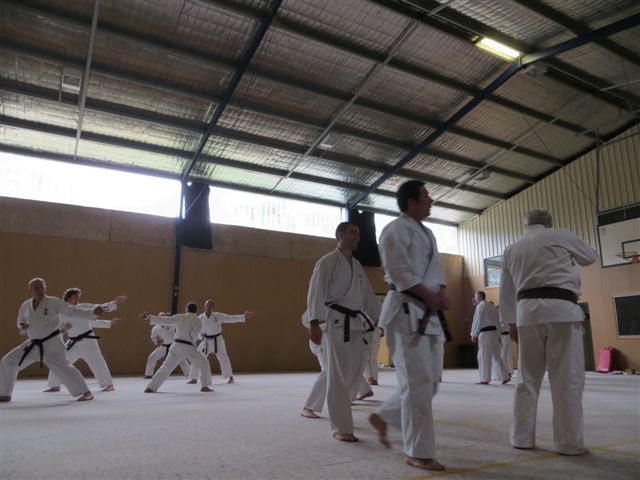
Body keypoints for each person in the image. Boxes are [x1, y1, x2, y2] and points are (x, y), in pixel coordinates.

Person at [500, 208, 597, 456]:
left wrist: (510, 323)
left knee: (527, 378)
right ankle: (569, 443)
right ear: (549, 223)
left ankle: (521, 438)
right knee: (566, 378)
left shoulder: (511, 249)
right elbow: (590, 257)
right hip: (561, 311)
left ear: (526, 225)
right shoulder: (561, 235)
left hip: (526, 314)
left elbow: (506, 292)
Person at [368, 180, 448, 471]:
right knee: (417, 384)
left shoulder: (428, 233)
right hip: (405, 311)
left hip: (428, 313)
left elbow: (437, 271)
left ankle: (386, 416)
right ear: (411, 202)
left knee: (432, 380)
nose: (430, 200)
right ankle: (418, 452)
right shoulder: (395, 230)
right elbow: (399, 272)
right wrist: (430, 295)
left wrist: (440, 292)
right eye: (426, 196)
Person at [305, 222, 380, 441]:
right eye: (352, 233)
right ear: (339, 235)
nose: (357, 237)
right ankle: (342, 427)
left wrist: (381, 320)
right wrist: (314, 323)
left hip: (355, 323)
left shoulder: (357, 265)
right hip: (336, 322)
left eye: (358, 233)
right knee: (337, 375)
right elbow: (316, 292)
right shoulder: (327, 261)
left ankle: (341, 410)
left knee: (355, 372)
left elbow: (368, 296)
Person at [0, 278, 106, 402]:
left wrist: (91, 312)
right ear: (31, 290)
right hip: (33, 343)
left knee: (64, 368)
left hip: (52, 344)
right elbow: (21, 319)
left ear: (45, 288)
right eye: (36, 287)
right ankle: (4, 393)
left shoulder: (54, 302)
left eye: (42, 287)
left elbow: (72, 311)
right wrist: (22, 325)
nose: (39, 289)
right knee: (8, 361)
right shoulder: (26, 305)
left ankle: (85, 392)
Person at [44, 288, 126, 393]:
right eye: (75, 297)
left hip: (88, 341)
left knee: (98, 362)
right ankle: (54, 385)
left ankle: (108, 384)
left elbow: (99, 309)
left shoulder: (84, 307)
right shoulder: (62, 311)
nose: (78, 299)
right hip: (73, 343)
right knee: (59, 361)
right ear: (68, 298)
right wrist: (63, 325)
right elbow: (55, 324)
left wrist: (115, 302)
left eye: (78, 297)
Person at [142, 302, 213, 393]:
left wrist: (150, 317)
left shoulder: (180, 317)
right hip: (188, 346)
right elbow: (194, 335)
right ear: (196, 310)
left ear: (187, 309)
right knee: (204, 363)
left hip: (176, 345)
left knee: (166, 366)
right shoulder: (197, 320)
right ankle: (205, 386)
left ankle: (151, 387)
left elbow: (165, 320)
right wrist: (198, 337)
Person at [186, 300, 254, 385]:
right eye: (207, 305)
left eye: (210, 305)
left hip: (217, 340)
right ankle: (193, 378)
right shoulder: (200, 318)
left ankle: (230, 377)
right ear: (204, 306)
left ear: (213, 307)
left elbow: (230, 318)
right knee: (197, 357)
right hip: (206, 341)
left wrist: (243, 317)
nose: (208, 307)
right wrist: (200, 336)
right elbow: (197, 331)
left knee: (224, 358)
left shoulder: (218, 316)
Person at [470, 291, 509, 385]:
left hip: (485, 333)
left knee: (483, 356)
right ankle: (505, 376)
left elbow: (477, 320)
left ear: (478, 297)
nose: (475, 299)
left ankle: (484, 379)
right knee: (496, 356)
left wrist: (474, 334)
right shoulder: (492, 306)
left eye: (475, 297)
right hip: (494, 332)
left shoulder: (480, 306)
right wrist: (499, 335)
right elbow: (498, 322)